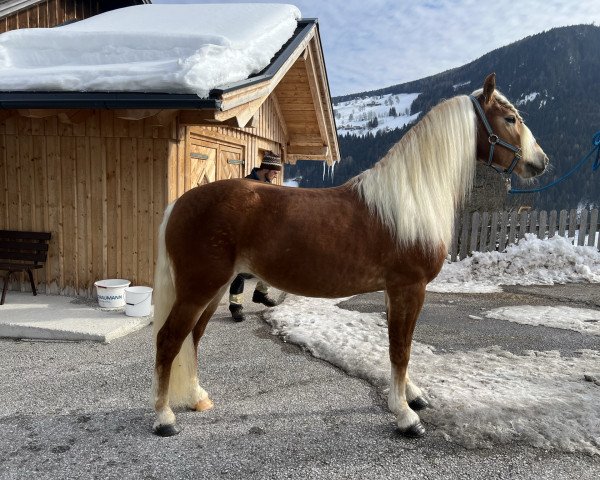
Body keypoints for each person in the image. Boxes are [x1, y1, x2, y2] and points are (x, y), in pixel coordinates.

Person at [229, 151, 282, 322]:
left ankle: (261, 293)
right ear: (266, 168)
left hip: (263, 233)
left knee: (272, 263)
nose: (275, 175)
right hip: (244, 233)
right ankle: (235, 306)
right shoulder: (246, 184)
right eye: (274, 172)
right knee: (240, 271)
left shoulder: (270, 185)